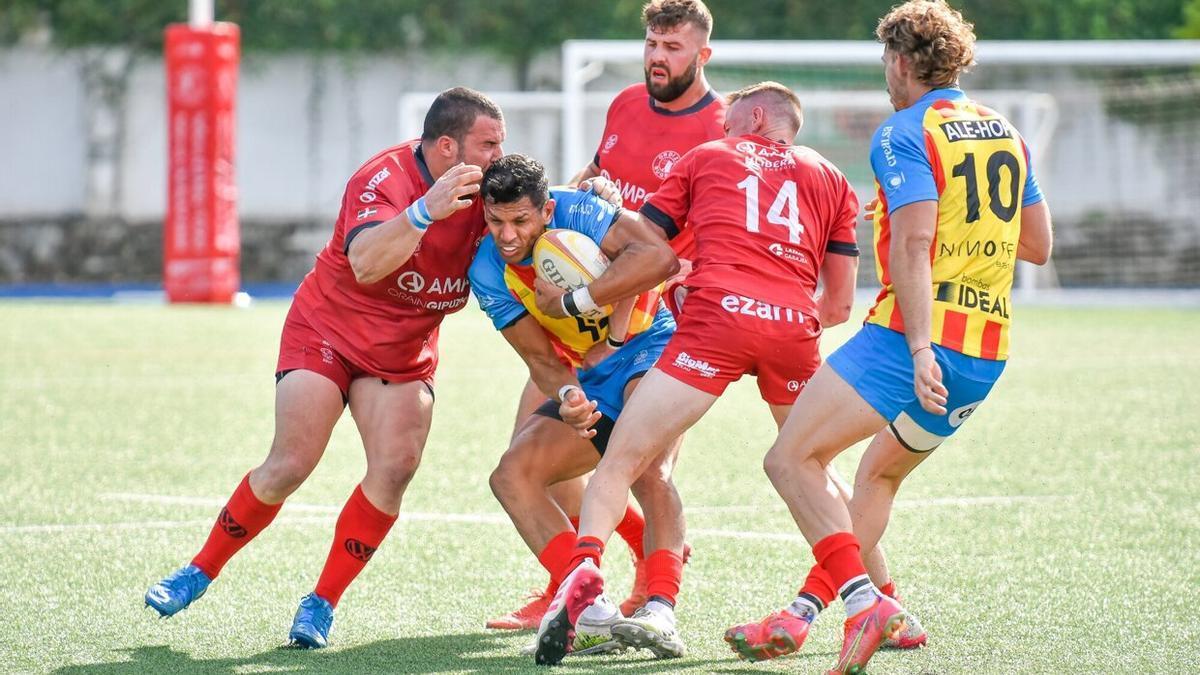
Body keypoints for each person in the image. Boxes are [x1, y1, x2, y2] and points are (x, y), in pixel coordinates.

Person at [728, 1, 1055, 671]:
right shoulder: (1006, 131)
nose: (886, 73)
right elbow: (1037, 244)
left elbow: (913, 243)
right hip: (984, 353)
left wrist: (917, 346)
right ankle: (830, 613)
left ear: (902, 62)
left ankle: (861, 603)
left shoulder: (905, 130)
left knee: (790, 460)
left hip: (910, 343)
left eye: (886, 61)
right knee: (875, 478)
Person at [528, 81, 878, 667]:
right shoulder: (835, 181)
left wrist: (586, 281)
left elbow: (643, 246)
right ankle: (877, 600)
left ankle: (585, 569)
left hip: (714, 319)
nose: (723, 133)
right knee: (816, 470)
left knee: (622, 460)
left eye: (730, 122)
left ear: (757, 117)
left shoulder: (706, 157)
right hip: (794, 328)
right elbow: (839, 306)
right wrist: (777, 320)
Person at [143, 87, 506, 649]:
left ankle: (321, 603)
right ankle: (199, 570)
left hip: (403, 351)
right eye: (488, 145)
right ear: (445, 147)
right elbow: (365, 263)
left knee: (395, 469)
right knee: (291, 462)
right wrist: (424, 211)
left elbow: (539, 215)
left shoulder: (490, 193)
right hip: (327, 332)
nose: (497, 157)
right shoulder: (382, 180)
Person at [488, 0, 727, 630]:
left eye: (673, 47)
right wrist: (579, 203)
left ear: (701, 54)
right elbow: (594, 178)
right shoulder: (624, 105)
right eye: (652, 43)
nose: (657, 56)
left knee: (644, 464)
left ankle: (656, 591)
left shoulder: (723, 125)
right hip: (574, 318)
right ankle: (568, 584)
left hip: (662, 319)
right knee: (532, 455)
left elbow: (731, 218)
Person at [470, 154, 688, 659]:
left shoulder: (581, 210)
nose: (506, 235)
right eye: (495, 221)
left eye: (520, 220)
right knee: (512, 475)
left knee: (649, 469)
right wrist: (568, 396)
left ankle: (661, 610)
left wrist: (575, 303)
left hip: (654, 343)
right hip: (590, 370)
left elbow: (660, 260)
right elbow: (538, 356)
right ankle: (592, 613)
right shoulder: (486, 269)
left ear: (546, 209)